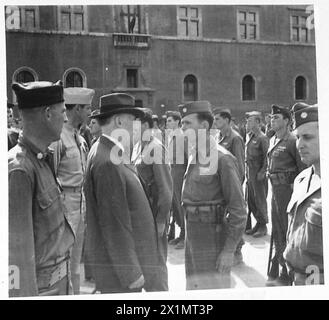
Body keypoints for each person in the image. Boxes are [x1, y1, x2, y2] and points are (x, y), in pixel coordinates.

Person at [84, 93, 160, 293]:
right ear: (118, 120)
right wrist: (131, 273)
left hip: (118, 268)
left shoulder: (107, 150)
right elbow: (114, 223)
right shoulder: (108, 161)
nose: (137, 125)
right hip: (121, 277)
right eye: (134, 120)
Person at [9, 81, 75, 297]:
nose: (66, 118)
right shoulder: (19, 169)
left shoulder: (41, 157)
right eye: (63, 111)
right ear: (48, 113)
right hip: (43, 289)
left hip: (59, 282)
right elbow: (17, 257)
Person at [179, 101, 247, 290]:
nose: (182, 128)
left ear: (204, 126)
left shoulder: (222, 159)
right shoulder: (195, 155)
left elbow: (239, 209)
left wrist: (228, 250)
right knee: (194, 288)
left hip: (213, 235)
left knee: (213, 288)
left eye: (187, 123)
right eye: (181, 123)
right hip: (193, 233)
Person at [50, 87, 94, 294]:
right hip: (64, 205)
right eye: (87, 109)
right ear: (76, 109)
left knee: (75, 267)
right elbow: (51, 179)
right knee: (64, 266)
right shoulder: (58, 138)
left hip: (79, 203)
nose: (89, 113)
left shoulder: (79, 137)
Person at [132, 108, 173, 291]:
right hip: (142, 216)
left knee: (156, 266)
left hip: (154, 215)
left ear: (146, 125)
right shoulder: (138, 146)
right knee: (146, 262)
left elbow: (165, 188)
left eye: (136, 123)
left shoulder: (156, 147)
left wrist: (162, 220)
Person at [266, 104, 306, 286]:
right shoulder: (273, 139)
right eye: (272, 118)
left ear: (287, 121)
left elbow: (302, 170)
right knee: (277, 230)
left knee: (288, 230)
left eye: (276, 118)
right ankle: (280, 263)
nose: (272, 120)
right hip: (275, 192)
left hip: (288, 192)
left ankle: (287, 272)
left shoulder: (292, 140)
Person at [284, 103, 323, 285]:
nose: (299, 144)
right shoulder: (301, 179)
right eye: (298, 137)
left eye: (307, 137)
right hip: (296, 277)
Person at [213, 107, 245, 265]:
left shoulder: (235, 138)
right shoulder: (219, 136)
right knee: (226, 219)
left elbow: (239, 165)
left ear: (227, 120)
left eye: (218, 119)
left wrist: (236, 186)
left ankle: (238, 252)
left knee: (234, 216)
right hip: (223, 183)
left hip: (232, 184)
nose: (215, 122)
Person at [245, 111, 269, 237]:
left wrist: (263, 171)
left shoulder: (262, 138)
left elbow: (267, 157)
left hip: (258, 173)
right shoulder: (250, 136)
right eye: (247, 120)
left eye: (250, 120)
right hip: (250, 172)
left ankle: (263, 225)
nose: (247, 122)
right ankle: (257, 224)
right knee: (251, 200)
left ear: (258, 122)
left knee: (260, 199)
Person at [166, 110, 187, 249]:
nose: (167, 123)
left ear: (177, 122)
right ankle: (181, 233)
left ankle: (185, 236)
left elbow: (187, 156)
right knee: (174, 204)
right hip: (172, 170)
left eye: (170, 121)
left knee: (180, 204)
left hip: (179, 171)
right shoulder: (171, 135)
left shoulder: (181, 136)